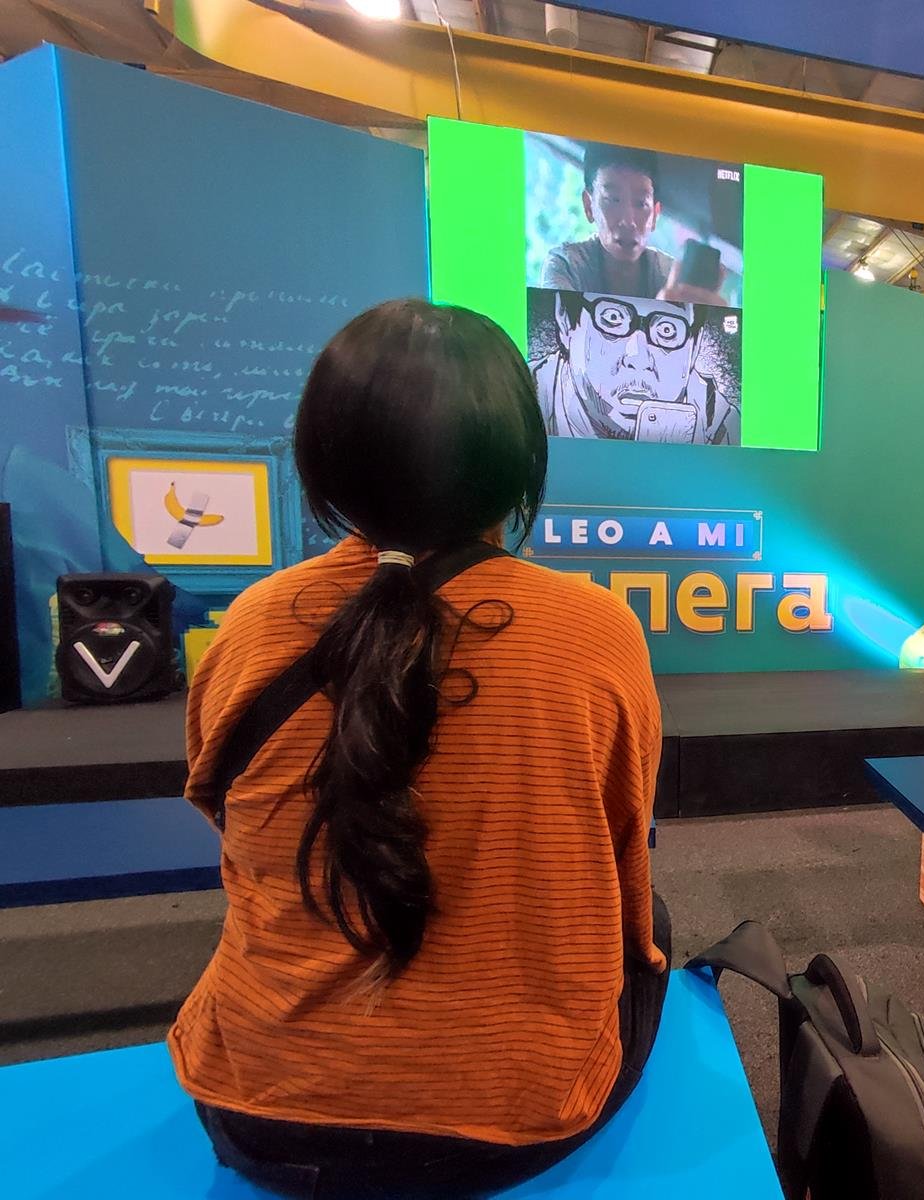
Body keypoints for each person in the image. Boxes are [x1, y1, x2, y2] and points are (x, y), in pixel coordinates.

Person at [171, 300, 668, 1198]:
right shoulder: (596, 631)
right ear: (518, 461)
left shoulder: (249, 625)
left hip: (255, 1106)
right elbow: (624, 852)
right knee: (655, 920)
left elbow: (230, 830)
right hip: (514, 1120)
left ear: (326, 464)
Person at [533, 290, 739, 445]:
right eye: (613, 318)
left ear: (694, 347)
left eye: (667, 330)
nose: (639, 359)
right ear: (566, 321)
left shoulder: (722, 428)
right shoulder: (525, 400)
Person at [542, 143, 726, 305]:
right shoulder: (566, 266)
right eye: (613, 199)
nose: (628, 221)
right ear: (589, 206)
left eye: (641, 203)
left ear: (655, 214)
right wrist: (666, 316)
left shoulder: (672, 280)